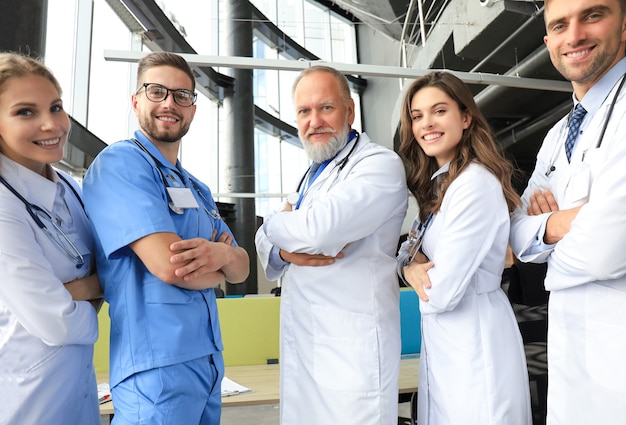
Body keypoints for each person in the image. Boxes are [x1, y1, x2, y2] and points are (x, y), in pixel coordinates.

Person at [83, 52, 249, 425]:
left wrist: (221, 258)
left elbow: (242, 269)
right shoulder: (121, 164)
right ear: (136, 100)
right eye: (157, 91)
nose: (169, 103)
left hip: (207, 363)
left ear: (193, 108)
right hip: (155, 369)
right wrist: (221, 258)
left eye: (181, 95)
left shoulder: (197, 188)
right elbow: (170, 266)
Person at [255, 65, 408, 424]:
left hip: (352, 355)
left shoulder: (379, 165)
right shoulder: (312, 175)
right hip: (306, 347)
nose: (315, 121)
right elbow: (270, 242)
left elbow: (319, 231)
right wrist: (281, 246)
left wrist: (273, 223)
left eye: (326, 108)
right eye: (304, 112)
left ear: (350, 111)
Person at [509, 0, 626, 423]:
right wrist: (565, 223)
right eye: (560, 25)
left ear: (624, 26)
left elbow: (605, 249)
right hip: (570, 354)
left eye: (593, 15)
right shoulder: (558, 134)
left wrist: (546, 242)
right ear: (548, 42)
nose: (573, 35)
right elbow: (516, 236)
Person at [397, 71, 531, 425]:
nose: (427, 123)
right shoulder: (438, 186)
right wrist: (410, 267)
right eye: (417, 115)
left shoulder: (474, 185)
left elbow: (440, 292)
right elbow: (407, 253)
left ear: (466, 117)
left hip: (476, 343)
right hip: (447, 350)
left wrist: (411, 267)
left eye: (439, 111)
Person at [0, 52, 103, 424]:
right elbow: (57, 323)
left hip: (77, 386)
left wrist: (77, 290)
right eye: (25, 112)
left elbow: (104, 269)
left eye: (56, 107)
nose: (52, 124)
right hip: (27, 398)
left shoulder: (71, 189)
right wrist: (99, 288)